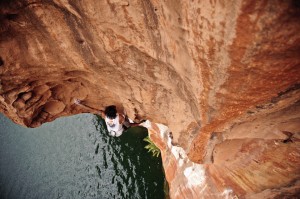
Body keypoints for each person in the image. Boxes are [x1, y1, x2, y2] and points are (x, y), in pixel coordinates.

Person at [74, 99, 142, 137]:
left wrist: (80, 104)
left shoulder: (104, 116)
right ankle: (140, 124)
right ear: (116, 113)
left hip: (112, 131)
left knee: (122, 121)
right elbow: (127, 120)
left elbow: (92, 109)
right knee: (128, 124)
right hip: (118, 132)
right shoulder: (120, 117)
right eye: (115, 109)